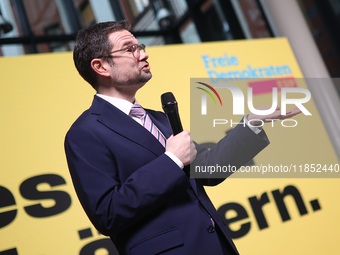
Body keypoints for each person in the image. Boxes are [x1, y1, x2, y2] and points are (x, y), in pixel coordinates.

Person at [64, 20, 301, 255]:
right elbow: (108, 213)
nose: (143, 55)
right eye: (130, 49)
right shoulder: (84, 133)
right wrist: (171, 160)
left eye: (141, 46)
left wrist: (252, 122)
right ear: (101, 66)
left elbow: (207, 171)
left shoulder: (159, 118)